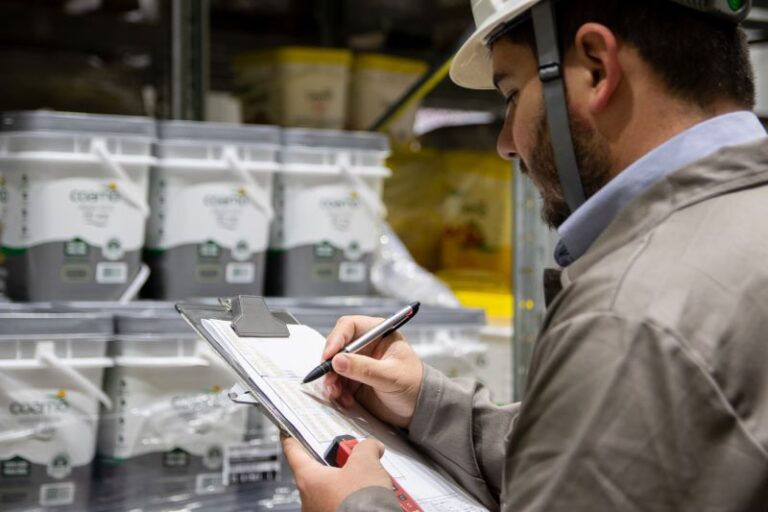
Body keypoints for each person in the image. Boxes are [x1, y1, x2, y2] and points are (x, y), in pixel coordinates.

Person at [281, 0, 768, 510]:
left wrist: (357, 505)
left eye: (513, 94)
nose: (506, 143)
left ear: (597, 67)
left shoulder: (629, 315)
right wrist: (428, 405)